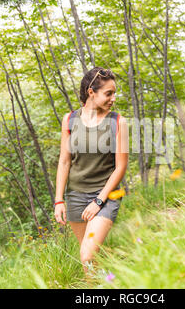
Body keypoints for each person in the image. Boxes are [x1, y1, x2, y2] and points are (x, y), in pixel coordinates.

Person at [54, 67, 129, 278]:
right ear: (91, 92)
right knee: (90, 262)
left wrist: (98, 201)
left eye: (114, 93)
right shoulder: (69, 120)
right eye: (108, 93)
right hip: (76, 197)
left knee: (87, 254)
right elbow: (64, 161)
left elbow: (120, 167)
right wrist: (59, 200)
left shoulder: (117, 122)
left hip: (105, 196)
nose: (113, 98)